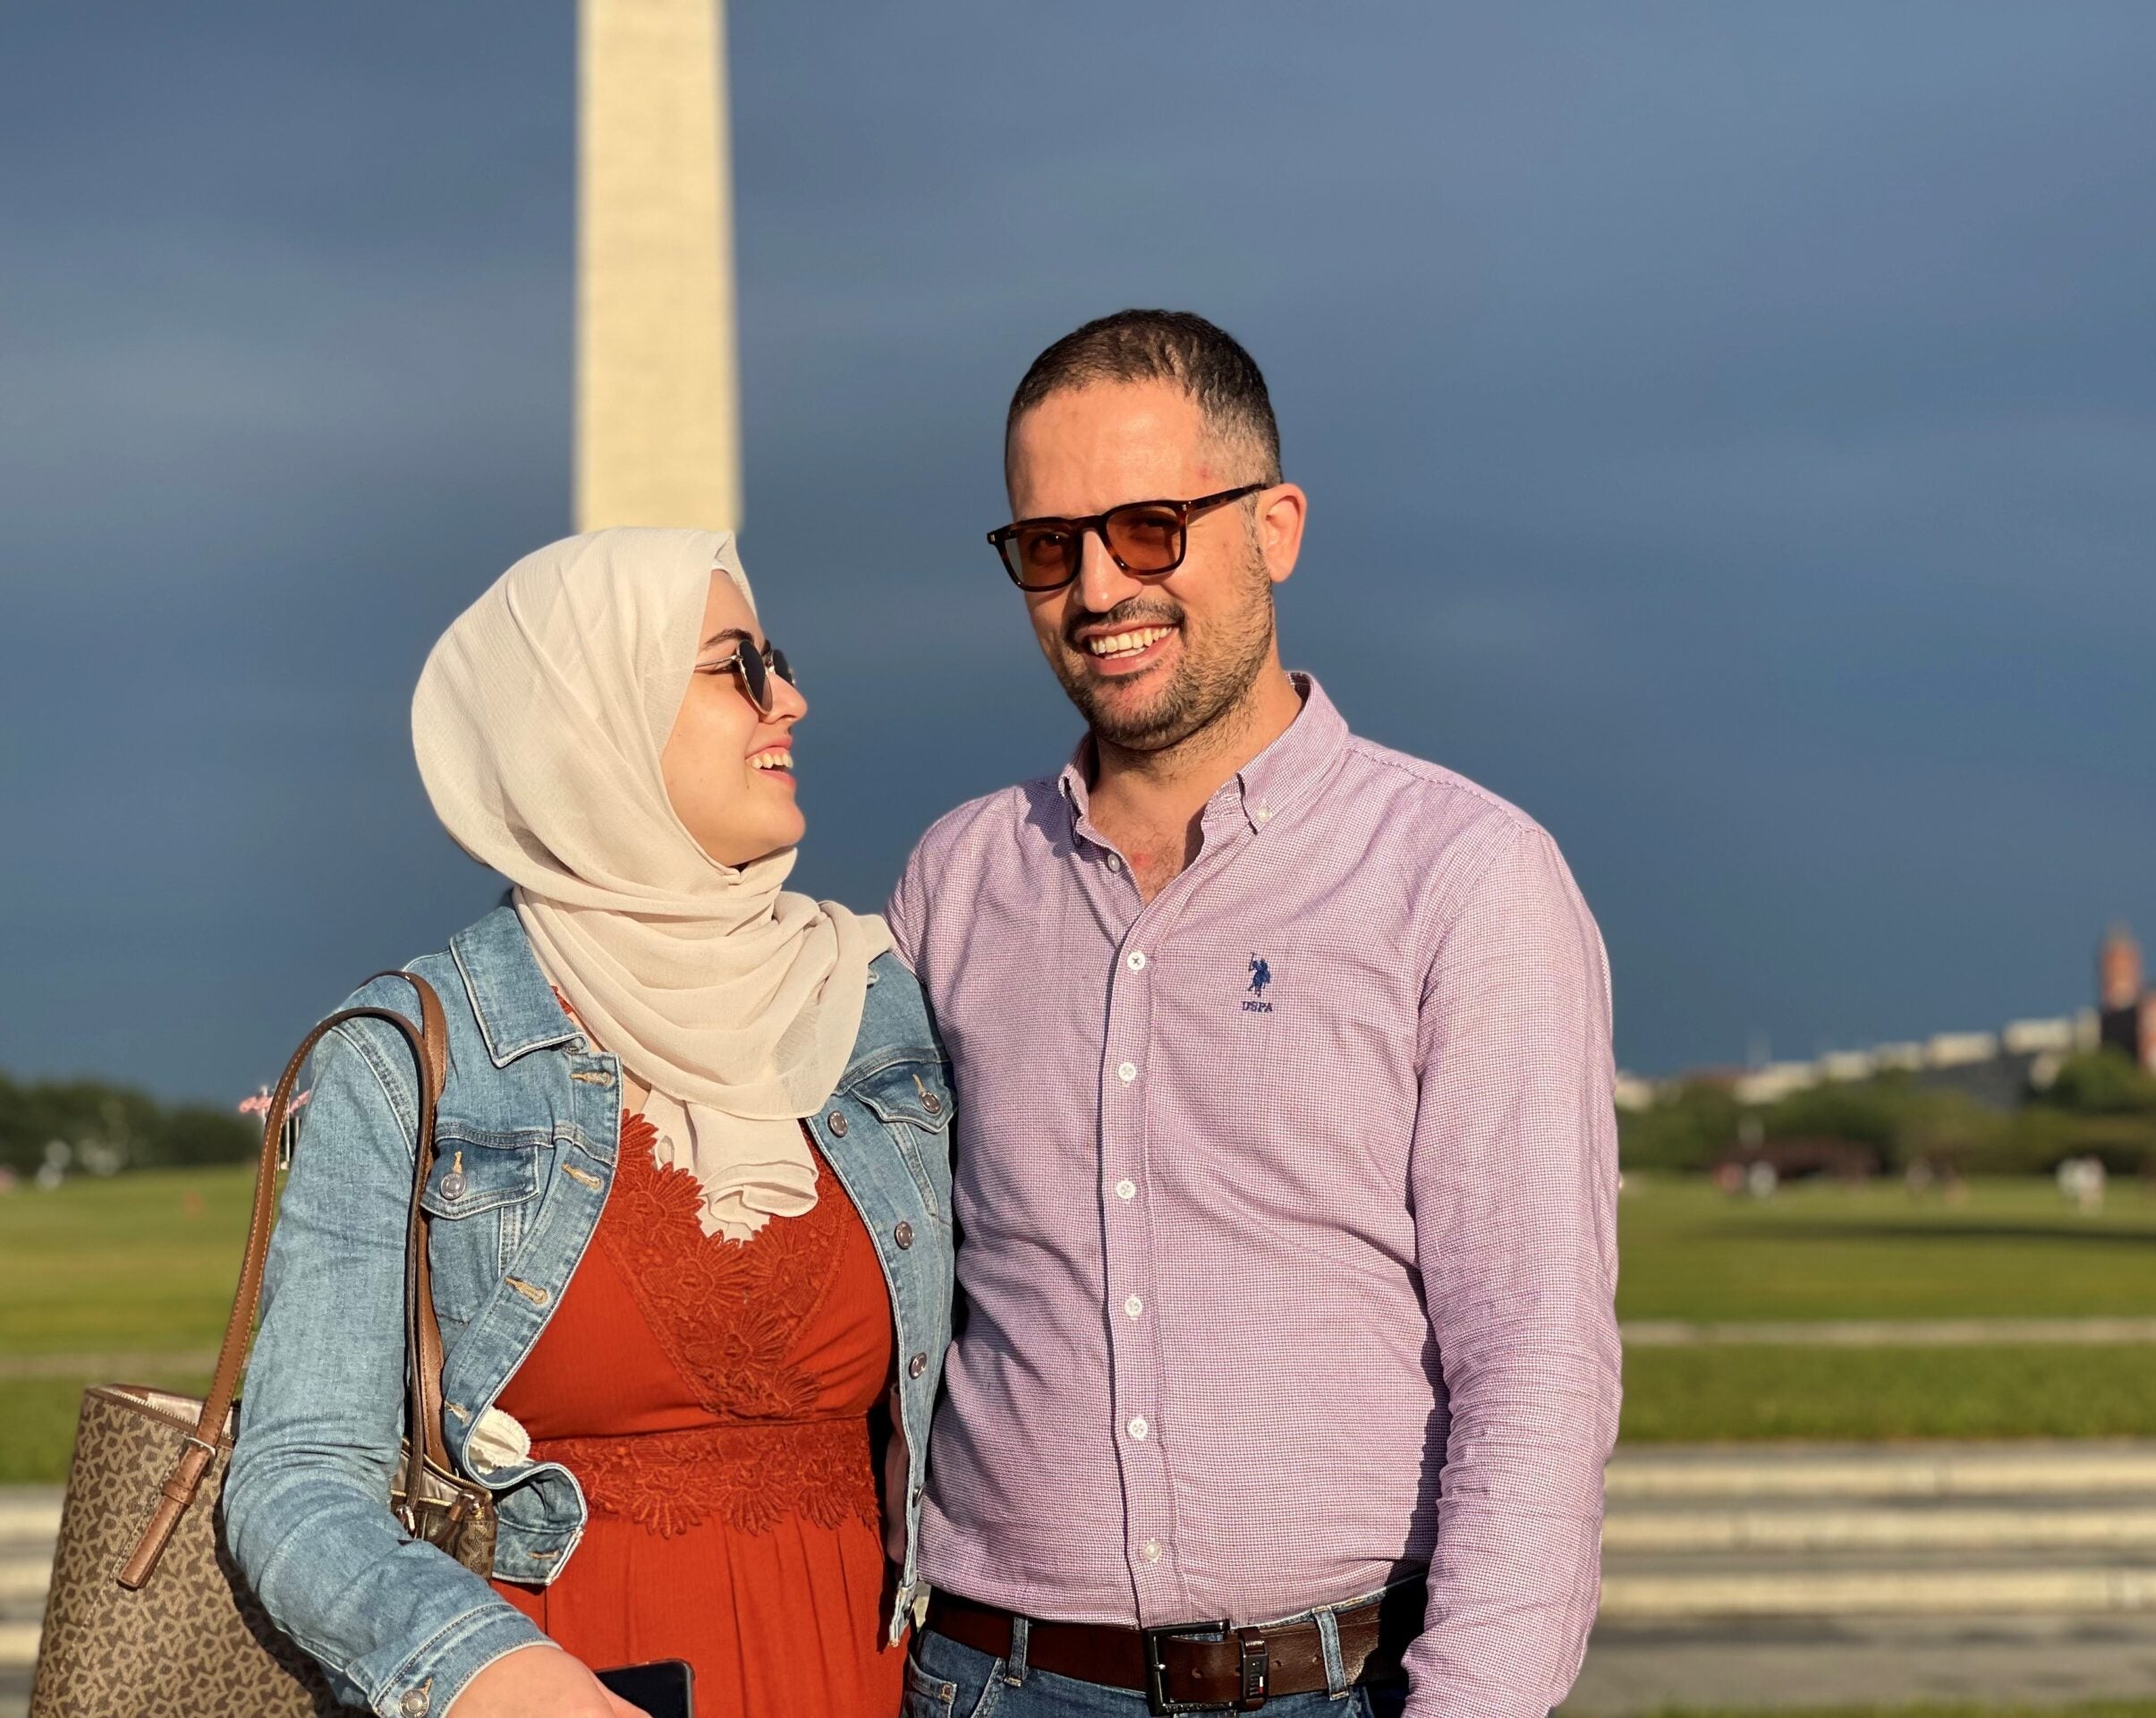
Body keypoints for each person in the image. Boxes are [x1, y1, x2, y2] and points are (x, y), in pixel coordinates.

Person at [889, 311, 1620, 1718]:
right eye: (1049, 546)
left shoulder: (1462, 875)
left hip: (1336, 1684)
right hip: (991, 1680)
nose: (1099, 586)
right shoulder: (957, 877)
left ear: (1275, 527)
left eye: (1150, 527)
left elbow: (1534, 1360)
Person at [223, 529, 955, 1718]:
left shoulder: (878, 1005)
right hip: (557, 1684)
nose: (794, 701)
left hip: (860, 1678)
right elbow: (297, 1476)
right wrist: (487, 1674)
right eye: (737, 668)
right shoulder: (407, 1055)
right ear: (593, 718)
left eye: (778, 660)